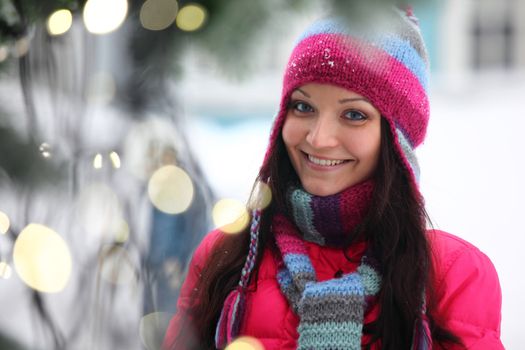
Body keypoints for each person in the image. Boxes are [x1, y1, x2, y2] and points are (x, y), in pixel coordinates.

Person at [163, 7, 503, 350]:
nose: (319, 138)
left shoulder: (452, 274)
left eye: (354, 114)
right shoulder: (227, 256)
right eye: (303, 107)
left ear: (396, 140)